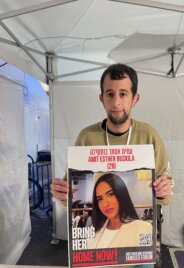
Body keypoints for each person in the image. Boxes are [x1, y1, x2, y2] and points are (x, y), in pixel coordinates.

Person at [51, 63, 174, 204]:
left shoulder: (149, 136)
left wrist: (163, 191)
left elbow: (166, 197)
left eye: (123, 94)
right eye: (110, 94)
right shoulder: (86, 138)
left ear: (135, 99)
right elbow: (71, 196)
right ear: (102, 99)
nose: (116, 102)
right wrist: (62, 194)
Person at [88, 173, 152, 249]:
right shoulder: (95, 229)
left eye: (110, 194)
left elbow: (148, 257)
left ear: (121, 194)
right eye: (100, 199)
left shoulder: (143, 228)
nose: (105, 204)